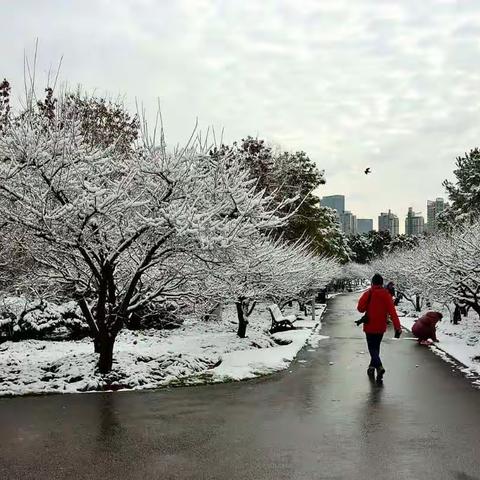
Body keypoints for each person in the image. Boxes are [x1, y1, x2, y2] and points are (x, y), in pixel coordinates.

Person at [357, 273, 402, 383]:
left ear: (372, 282)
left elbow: (360, 309)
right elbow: (393, 312)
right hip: (381, 326)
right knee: (376, 347)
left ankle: (379, 367)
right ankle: (372, 367)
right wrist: (397, 327)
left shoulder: (368, 293)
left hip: (369, 326)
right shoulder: (386, 295)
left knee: (372, 348)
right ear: (382, 283)